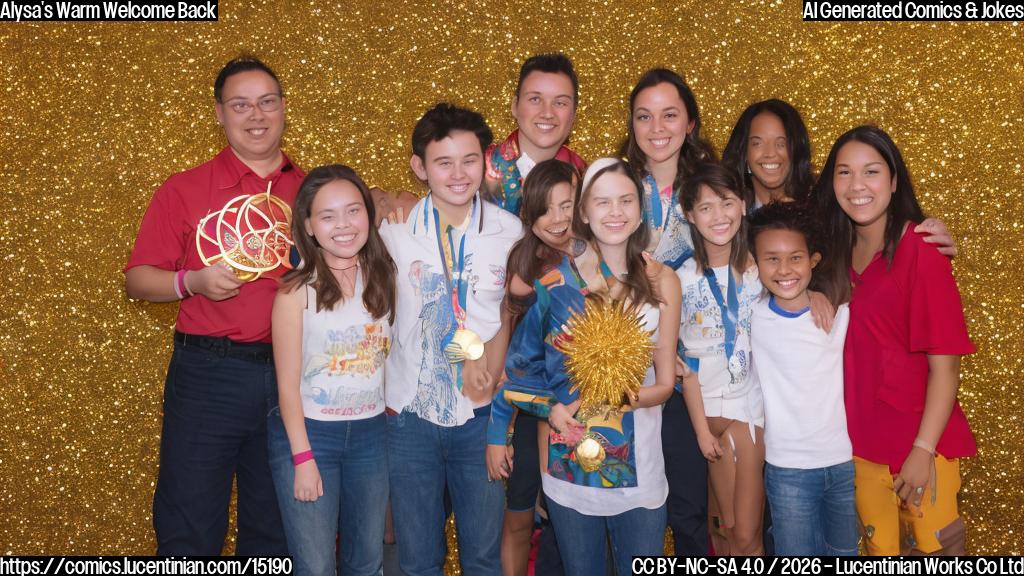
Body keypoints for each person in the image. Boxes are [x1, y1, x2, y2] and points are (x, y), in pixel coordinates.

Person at [124, 56, 301, 554]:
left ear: (284, 108)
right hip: (209, 374)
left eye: (267, 102)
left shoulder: (312, 189)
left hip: (293, 376)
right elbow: (137, 280)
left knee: (276, 529)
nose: (256, 115)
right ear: (220, 114)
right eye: (240, 105)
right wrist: (191, 281)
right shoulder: (184, 188)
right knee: (190, 524)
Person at [814, 125, 975, 555]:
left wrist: (922, 451)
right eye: (844, 173)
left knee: (937, 553)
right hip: (860, 448)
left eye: (871, 172)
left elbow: (946, 366)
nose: (857, 186)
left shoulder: (921, 251)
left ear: (893, 180)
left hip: (918, 447)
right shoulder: (835, 253)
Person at [517, 158, 680, 575]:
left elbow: (664, 386)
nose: (615, 212)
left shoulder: (662, 280)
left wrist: (616, 397)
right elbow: (521, 370)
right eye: (602, 202)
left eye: (626, 200)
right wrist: (551, 409)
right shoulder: (556, 281)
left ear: (640, 210)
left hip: (640, 466)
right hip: (569, 465)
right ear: (583, 213)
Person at [380, 102, 522, 575]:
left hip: (481, 414)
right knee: (419, 559)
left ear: (486, 163)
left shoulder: (510, 232)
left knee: (482, 555)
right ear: (420, 168)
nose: (458, 174)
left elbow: (514, 312)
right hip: (410, 414)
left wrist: (501, 379)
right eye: (443, 162)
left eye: (470, 160)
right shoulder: (393, 231)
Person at [268, 165, 395, 575]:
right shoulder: (294, 292)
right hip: (310, 436)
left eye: (353, 211)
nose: (343, 225)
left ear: (368, 216)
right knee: (316, 565)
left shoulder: (384, 276)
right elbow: (286, 388)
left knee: (367, 560)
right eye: (328, 215)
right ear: (308, 225)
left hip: (371, 436)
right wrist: (303, 458)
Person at [620, 67, 716, 555]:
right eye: (644, 116)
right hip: (623, 369)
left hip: (691, 374)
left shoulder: (713, 194)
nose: (657, 127)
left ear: (690, 123)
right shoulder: (614, 189)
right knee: (623, 504)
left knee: (689, 511)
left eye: (670, 114)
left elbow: (770, 250)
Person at [747, 201, 858, 556]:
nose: (784, 269)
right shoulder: (752, 320)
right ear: (755, 263)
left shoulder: (838, 315)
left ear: (813, 260)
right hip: (787, 471)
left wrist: (819, 293)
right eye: (772, 258)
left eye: (795, 257)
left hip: (841, 465)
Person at [722, 99, 959, 255]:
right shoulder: (726, 214)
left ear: (797, 150)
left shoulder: (827, 205)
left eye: (781, 143)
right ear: (744, 153)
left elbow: (876, 234)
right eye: (757, 143)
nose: (770, 153)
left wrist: (926, 237)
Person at [677, 162, 765, 556]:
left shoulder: (762, 269)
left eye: (726, 202)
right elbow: (682, 364)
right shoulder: (679, 279)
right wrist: (699, 429)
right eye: (706, 207)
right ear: (690, 215)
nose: (719, 216)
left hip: (748, 411)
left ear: (743, 205)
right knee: (724, 532)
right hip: (705, 413)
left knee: (747, 533)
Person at [483, 52, 586, 216]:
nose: (547, 113)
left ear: (574, 113)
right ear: (515, 106)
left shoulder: (585, 177)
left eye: (560, 103)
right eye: (535, 100)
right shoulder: (480, 168)